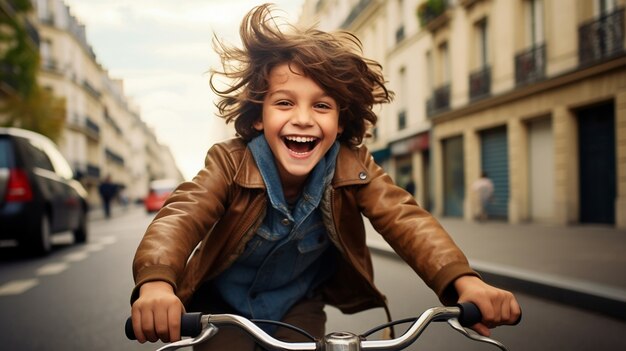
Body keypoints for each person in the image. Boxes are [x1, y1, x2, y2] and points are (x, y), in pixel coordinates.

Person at [129, 4, 520, 350]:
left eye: (321, 105)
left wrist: (464, 282)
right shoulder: (229, 162)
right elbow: (181, 216)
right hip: (220, 307)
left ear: (340, 120)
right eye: (284, 103)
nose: (303, 118)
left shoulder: (353, 165)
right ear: (257, 116)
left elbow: (407, 219)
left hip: (298, 305)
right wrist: (157, 284)